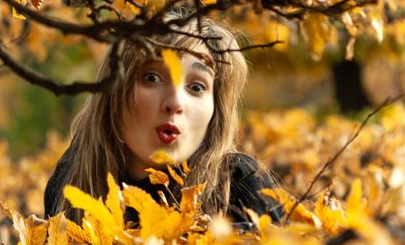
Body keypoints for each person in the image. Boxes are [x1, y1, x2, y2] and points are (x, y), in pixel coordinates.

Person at [44, 11, 283, 224]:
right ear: (113, 91)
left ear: (215, 109)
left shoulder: (239, 185)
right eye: (152, 78)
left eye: (197, 87)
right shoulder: (71, 180)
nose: (175, 103)